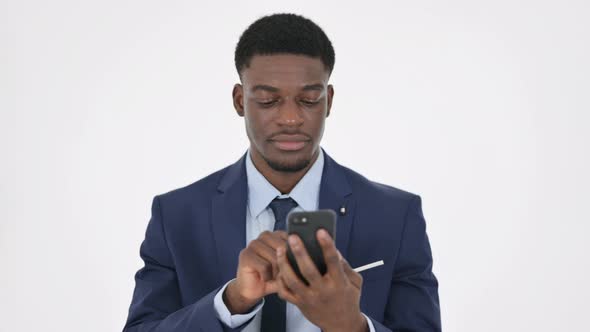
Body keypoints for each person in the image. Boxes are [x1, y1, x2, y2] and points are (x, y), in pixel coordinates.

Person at [123, 13, 441, 332]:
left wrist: (350, 325)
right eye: (268, 100)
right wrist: (230, 302)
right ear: (239, 100)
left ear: (328, 101)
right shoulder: (177, 215)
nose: (290, 118)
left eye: (308, 99)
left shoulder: (395, 215)